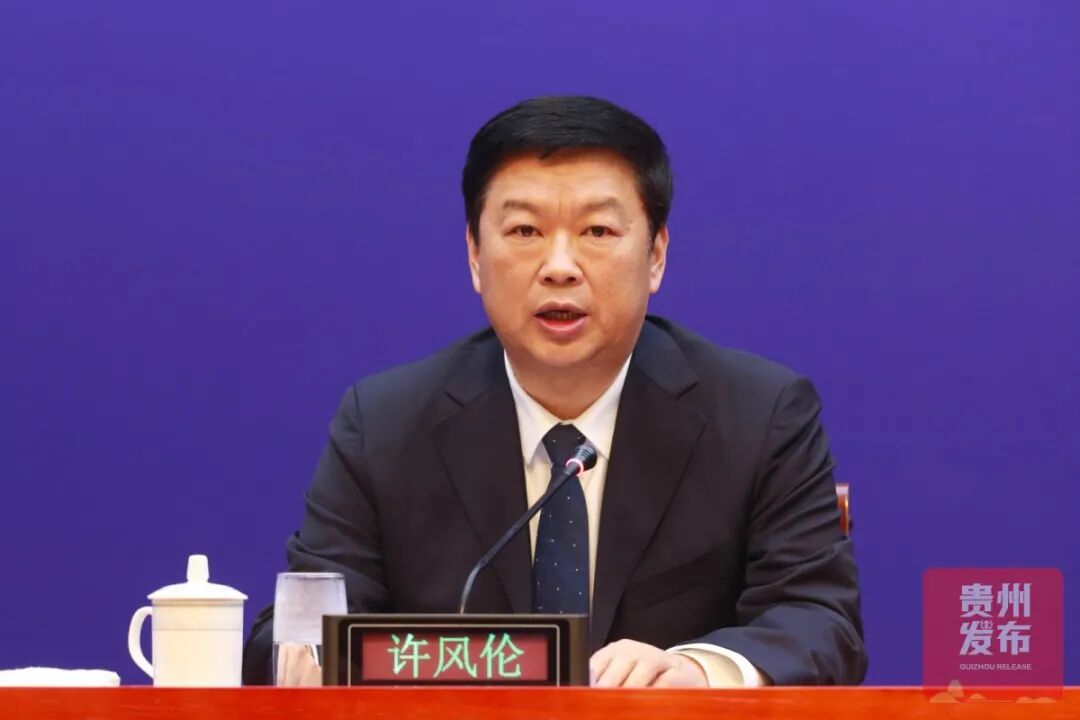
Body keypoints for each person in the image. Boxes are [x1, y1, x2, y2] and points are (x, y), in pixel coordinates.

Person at [243, 95, 867, 687]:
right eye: (524, 231)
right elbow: (293, 633)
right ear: (474, 255)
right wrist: (310, 657)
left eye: (597, 231)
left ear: (656, 256)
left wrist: (698, 673)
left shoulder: (758, 415)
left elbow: (819, 618)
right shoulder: (384, 425)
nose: (560, 266)